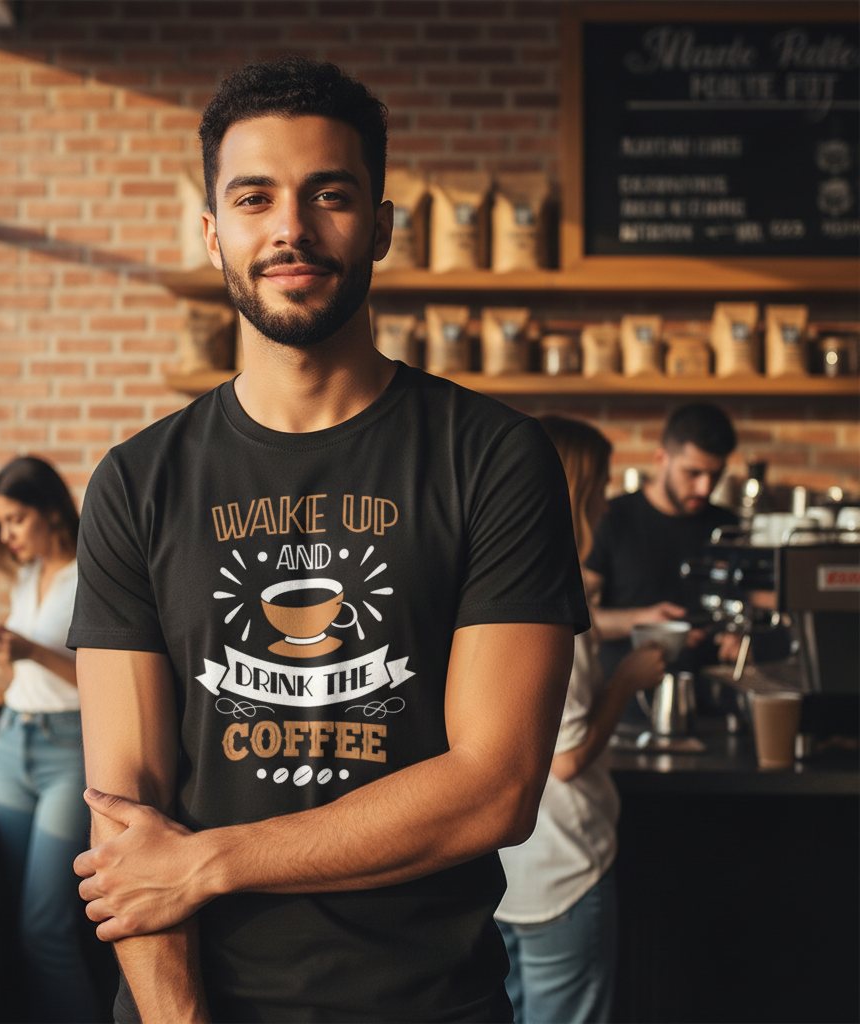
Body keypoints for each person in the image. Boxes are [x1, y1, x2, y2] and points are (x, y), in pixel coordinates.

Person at [67, 56, 589, 1024]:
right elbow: (124, 813)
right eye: (254, 198)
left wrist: (211, 862)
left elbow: (497, 787)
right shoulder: (136, 483)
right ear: (213, 231)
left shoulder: (494, 457)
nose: (291, 228)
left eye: (329, 195)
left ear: (380, 226)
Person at [495, 416, 666, 1024]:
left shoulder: (488, 585)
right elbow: (564, 761)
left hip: (499, 871)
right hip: (561, 867)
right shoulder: (550, 601)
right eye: (600, 489)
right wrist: (625, 684)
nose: (606, 505)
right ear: (573, 492)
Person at [0, 456, 100, 1024]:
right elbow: (27, 662)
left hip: (69, 749)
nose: (7, 535)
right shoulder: (29, 574)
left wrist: (28, 649)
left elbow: (99, 677)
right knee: (22, 911)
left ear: (51, 511)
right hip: (12, 740)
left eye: (15, 519)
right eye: (1, 524)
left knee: (45, 923)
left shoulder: (91, 574)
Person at [583, 402, 740, 684]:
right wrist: (642, 621)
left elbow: (749, 604)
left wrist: (739, 635)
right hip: (624, 697)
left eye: (716, 475)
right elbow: (575, 619)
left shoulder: (727, 526)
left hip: (710, 695)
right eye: (693, 473)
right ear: (661, 458)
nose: (705, 488)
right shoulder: (611, 517)